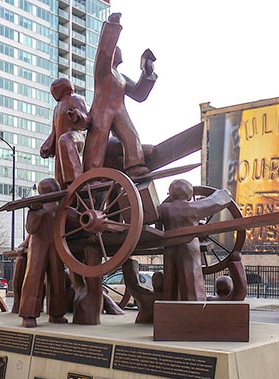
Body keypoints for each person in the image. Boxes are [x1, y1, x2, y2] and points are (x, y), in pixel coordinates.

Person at [82, 12, 156, 177]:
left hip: (119, 110)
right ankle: (92, 174)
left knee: (131, 137)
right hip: (102, 111)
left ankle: (135, 166)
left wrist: (147, 72)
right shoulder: (103, 71)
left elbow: (139, 93)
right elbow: (103, 52)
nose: (119, 54)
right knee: (97, 142)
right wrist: (113, 25)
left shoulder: (120, 77)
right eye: (116, 50)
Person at [158, 179, 232, 301]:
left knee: (170, 277)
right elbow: (216, 201)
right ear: (189, 193)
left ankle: (169, 305)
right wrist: (225, 193)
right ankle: (194, 306)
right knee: (191, 277)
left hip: (169, 248)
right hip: (189, 248)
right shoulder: (192, 208)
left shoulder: (164, 209)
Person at [19, 178, 69, 328]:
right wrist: (36, 210)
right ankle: (29, 314)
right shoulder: (39, 207)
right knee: (34, 276)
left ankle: (56, 313)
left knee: (57, 277)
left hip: (57, 244)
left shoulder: (62, 205)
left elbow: (72, 218)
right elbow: (31, 228)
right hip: (39, 246)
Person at [40, 78, 90, 189]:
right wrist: (47, 145)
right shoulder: (57, 108)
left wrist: (78, 116)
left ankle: (77, 182)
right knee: (59, 168)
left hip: (76, 137)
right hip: (61, 144)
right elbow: (54, 131)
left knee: (65, 140)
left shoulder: (75, 99)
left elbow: (87, 120)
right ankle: (64, 193)